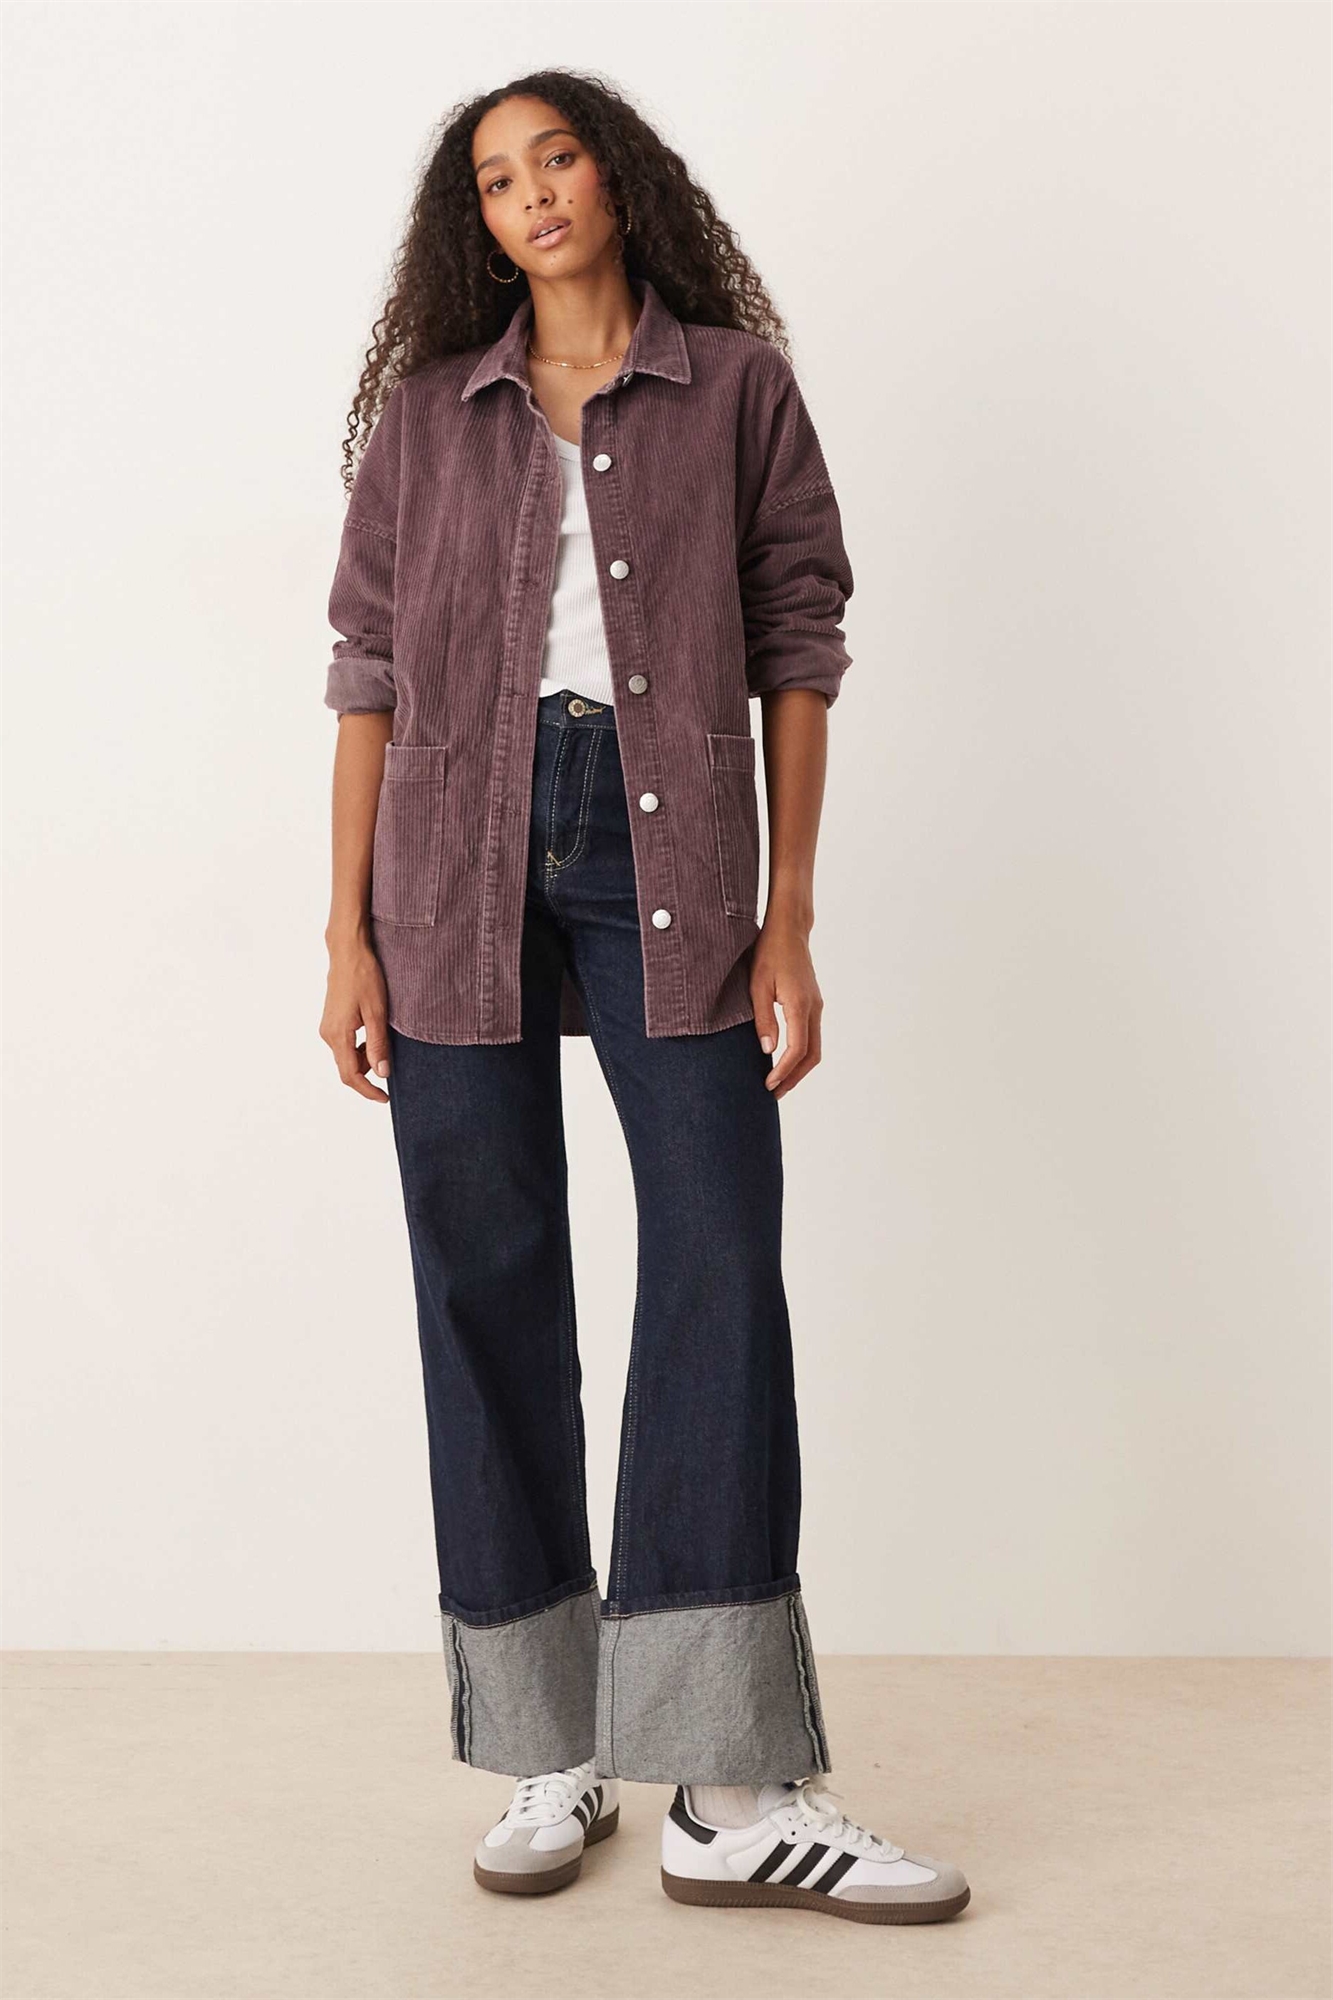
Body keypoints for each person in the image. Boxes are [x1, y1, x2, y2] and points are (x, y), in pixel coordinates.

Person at [319, 69, 969, 1926]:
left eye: (557, 157)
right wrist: (343, 932)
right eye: (493, 179)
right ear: (474, 224)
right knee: (484, 1277)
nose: (530, 193)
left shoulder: (736, 389)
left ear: (616, 177)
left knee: (712, 1261)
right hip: (447, 859)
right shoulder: (429, 419)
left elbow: (797, 642)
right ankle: (552, 1742)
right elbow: (364, 669)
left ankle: (728, 1787)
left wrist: (789, 915)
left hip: (667, 854)